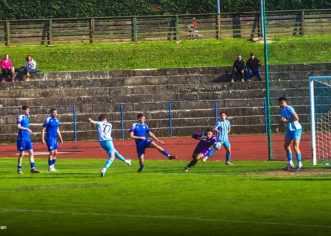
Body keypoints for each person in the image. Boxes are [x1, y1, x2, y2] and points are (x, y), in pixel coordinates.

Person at [275, 96, 303, 172]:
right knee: (286, 145)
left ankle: (300, 164)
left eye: (281, 103)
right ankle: (290, 163)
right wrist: (278, 127)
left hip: (296, 129)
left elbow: (297, 118)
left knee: (295, 147)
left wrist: (287, 121)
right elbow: (282, 120)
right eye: (279, 103)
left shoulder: (289, 108)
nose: (280, 104)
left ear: (285, 102)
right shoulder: (282, 110)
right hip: (290, 130)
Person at [16, 105, 40, 174]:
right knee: (22, 154)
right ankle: (19, 169)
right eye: (27, 110)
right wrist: (26, 129)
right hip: (22, 138)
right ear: (23, 110)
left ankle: (33, 168)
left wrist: (33, 133)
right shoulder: (20, 117)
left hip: (27, 138)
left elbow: (27, 127)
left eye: (28, 110)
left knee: (31, 152)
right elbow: (18, 126)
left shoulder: (27, 117)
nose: (28, 111)